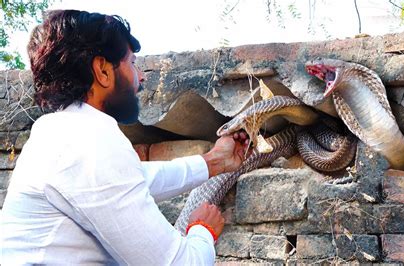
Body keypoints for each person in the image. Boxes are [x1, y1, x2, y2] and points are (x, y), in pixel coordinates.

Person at [1, 10, 250, 265]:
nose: (140, 77)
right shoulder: (89, 142)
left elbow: (138, 179)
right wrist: (202, 230)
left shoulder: (60, 132)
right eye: (132, 63)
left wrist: (214, 162)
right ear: (103, 71)